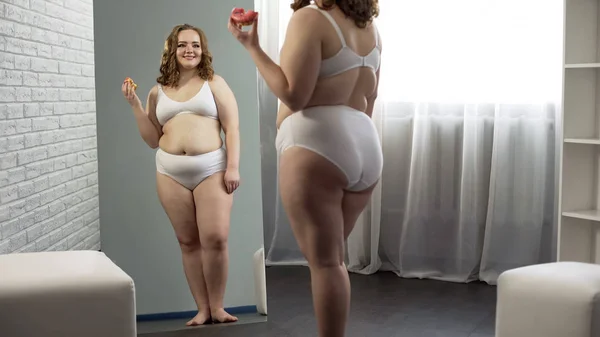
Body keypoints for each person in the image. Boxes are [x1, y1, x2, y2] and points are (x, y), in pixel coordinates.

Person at [228, 1, 383, 336]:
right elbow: (369, 100)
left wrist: (251, 47)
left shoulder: (310, 18)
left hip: (317, 145)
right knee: (333, 261)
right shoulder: (369, 29)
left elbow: (293, 95)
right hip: (365, 146)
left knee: (325, 263)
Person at [122, 23, 241, 326]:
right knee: (188, 242)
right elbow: (152, 140)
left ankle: (218, 307)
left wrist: (233, 167)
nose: (190, 50)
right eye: (183, 45)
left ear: (203, 51)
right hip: (170, 172)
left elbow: (232, 128)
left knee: (215, 239)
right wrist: (135, 105)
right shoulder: (155, 92)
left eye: (196, 45)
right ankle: (202, 309)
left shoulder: (214, 83)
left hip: (211, 169)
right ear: (172, 51)